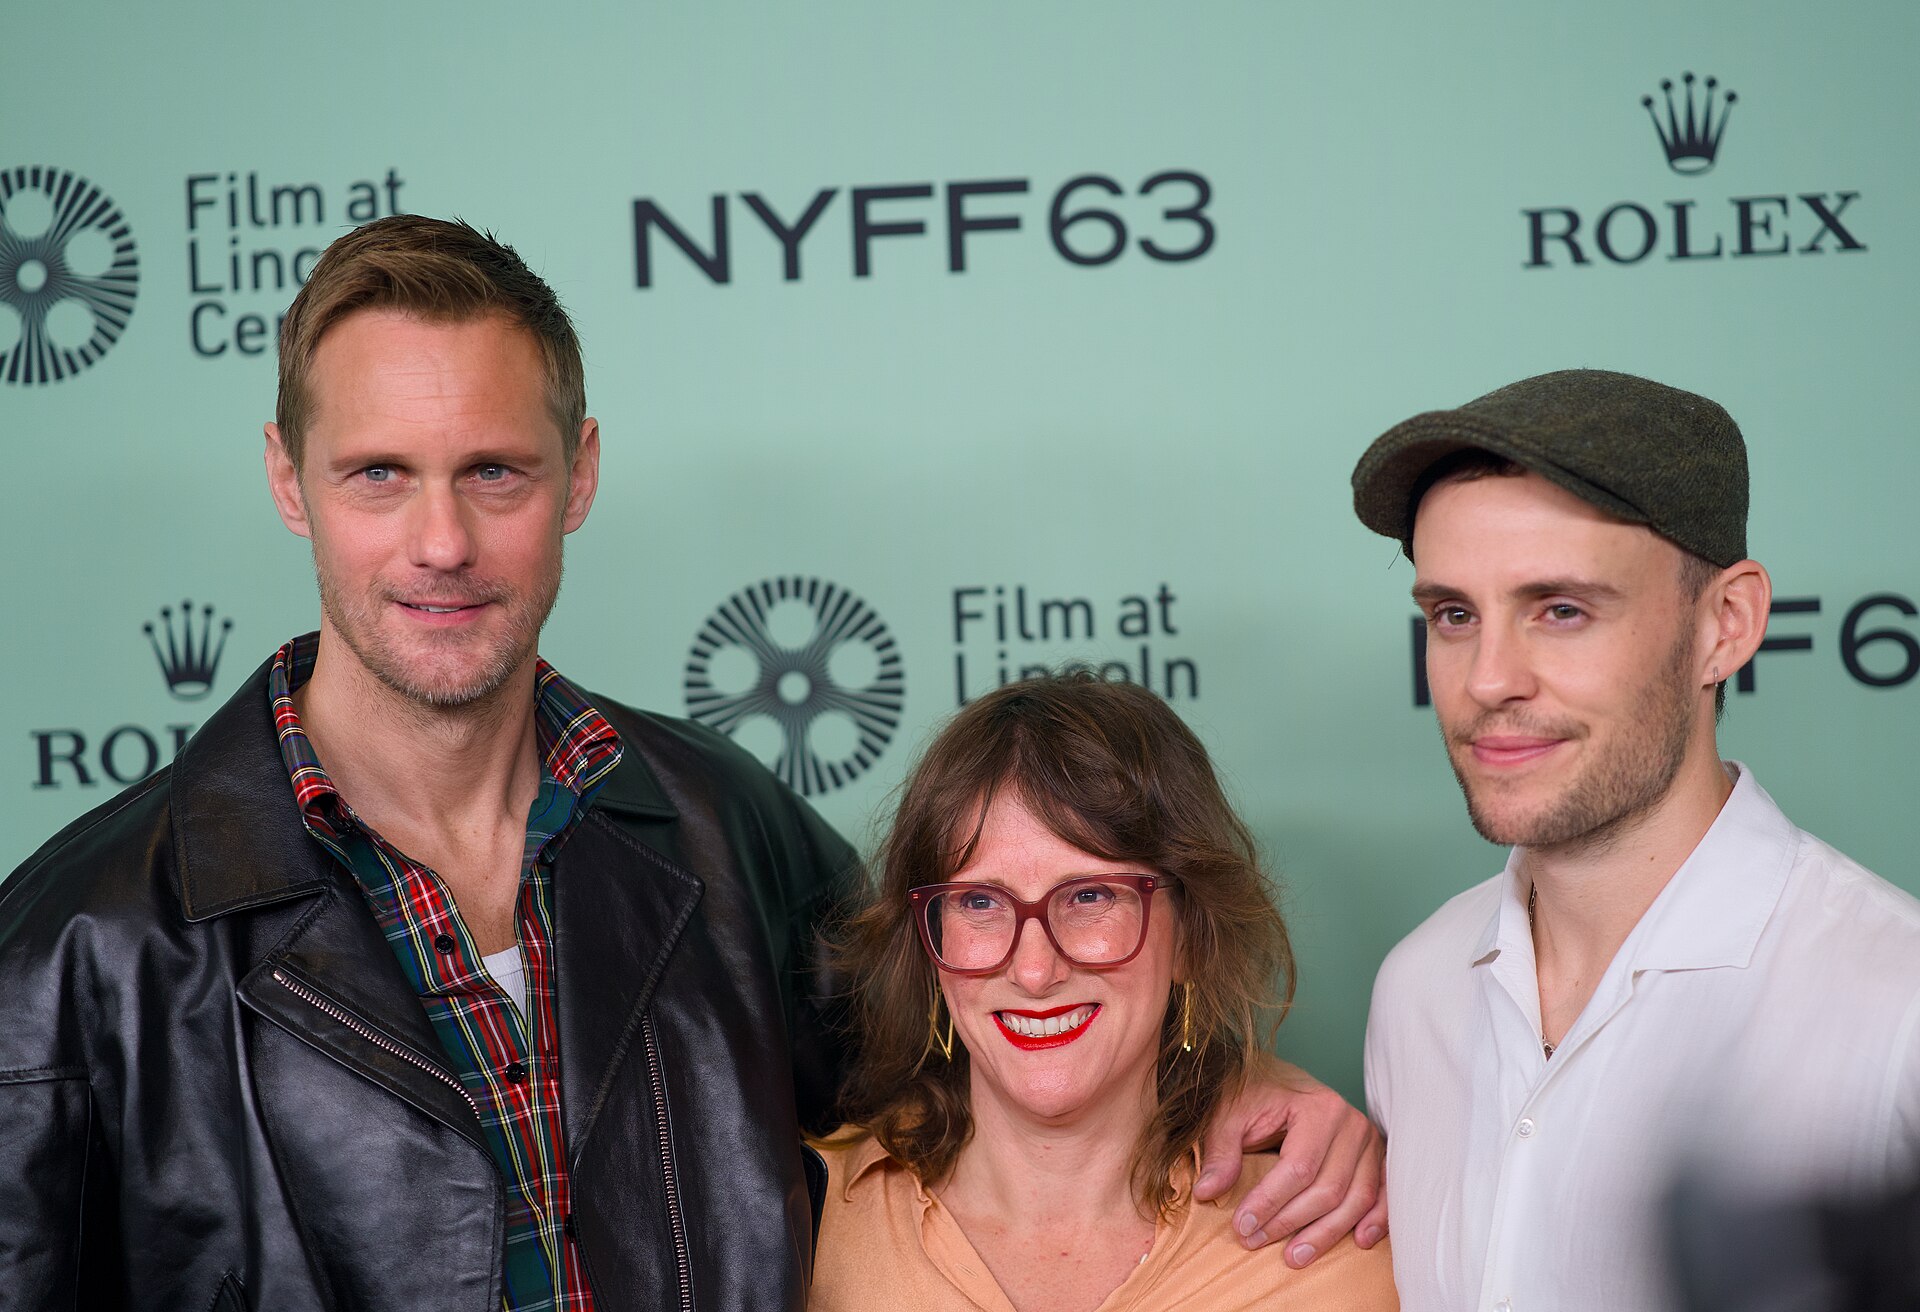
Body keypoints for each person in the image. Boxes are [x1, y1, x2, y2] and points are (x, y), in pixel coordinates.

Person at [0, 215, 1378, 1311]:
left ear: (579, 474)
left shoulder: (727, 833)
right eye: (377, 475)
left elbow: (985, 1060)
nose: (440, 543)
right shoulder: (77, 950)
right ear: (289, 480)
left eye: (495, 472)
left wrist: (1244, 1087)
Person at [1349, 369, 1920, 1312]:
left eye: (1561, 610)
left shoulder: (1894, 1010)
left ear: (1725, 625)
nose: (1489, 678)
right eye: (1454, 615)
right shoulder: (1416, 988)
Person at [811, 671, 1399, 1311]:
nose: (1035, 971)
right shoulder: (797, 1218)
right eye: (979, 901)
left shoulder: (1332, 1242)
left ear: (1190, 937)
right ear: (928, 944)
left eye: (1089, 896)